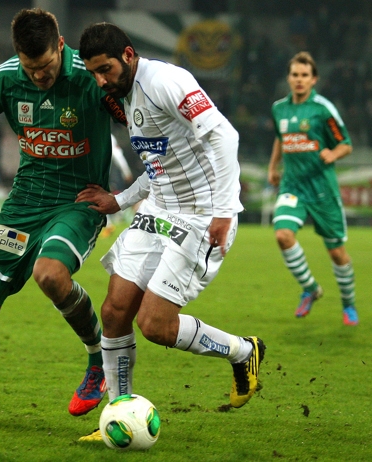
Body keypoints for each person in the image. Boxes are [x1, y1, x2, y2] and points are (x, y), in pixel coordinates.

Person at [0, 8, 124, 426]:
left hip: (78, 200)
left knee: (50, 275)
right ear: (18, 56)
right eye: (31, 68)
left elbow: (141, 118)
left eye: (47, 66)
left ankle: (98, 360)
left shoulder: (91, 77)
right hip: (23, 202)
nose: (39, 76)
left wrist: (124, 192)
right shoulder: (5, 78)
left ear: (61, 47)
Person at [77, 23, 266, 440]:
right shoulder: (123, 96)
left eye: (105, 68)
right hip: (159, 208)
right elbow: (158, 167)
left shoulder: (166, 81)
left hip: (201, 216)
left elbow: (224, 136)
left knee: (156, 325)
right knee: (113, 311)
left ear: (127, 55)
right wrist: (121, 200)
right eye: (93, 73)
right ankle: (118, 415)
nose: (101, 80)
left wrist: (222, 210)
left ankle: (244, 352)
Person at [267, 51, 358, 326]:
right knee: (282, 234)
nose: (299, 80)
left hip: (322, 189)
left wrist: (334, 154)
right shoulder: (279, 108)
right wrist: (273, 167)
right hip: (292, 184)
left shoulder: (323, 109)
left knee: (337, 252)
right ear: (289, 77)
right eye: (295, 74)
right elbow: (281, 138)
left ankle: (348, 304)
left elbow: (346, 143)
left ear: (314, 79)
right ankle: (310, 288)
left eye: (305, 75)